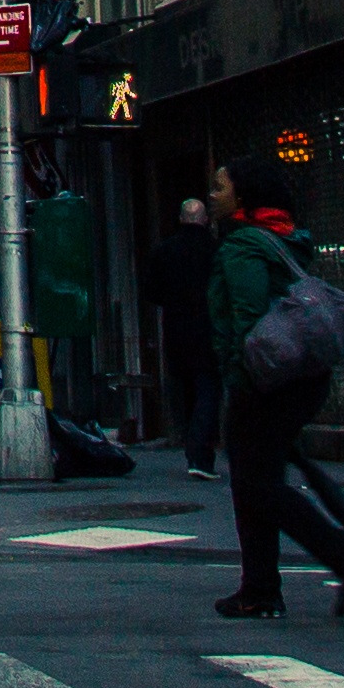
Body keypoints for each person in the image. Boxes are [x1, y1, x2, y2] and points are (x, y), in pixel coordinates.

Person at [207, 179, 344, 623]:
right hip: (304, 376)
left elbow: (246, 317)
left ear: (244, 198)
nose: (213, 195)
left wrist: (237, 369)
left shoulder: (243, 246)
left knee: (254, 485)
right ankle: (260, 590)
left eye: (221, 186)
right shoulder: (287, 239)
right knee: (259, 479)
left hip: (264, 378)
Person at [143, 180, 225, 472]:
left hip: (176, 328)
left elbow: (151, 291)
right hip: (208, 329)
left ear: (181, 219)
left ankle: (189, 443)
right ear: (204, 220)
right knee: (208, 388)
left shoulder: (164, 251)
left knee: (186, 387)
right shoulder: (216, 250)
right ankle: (200, 453)